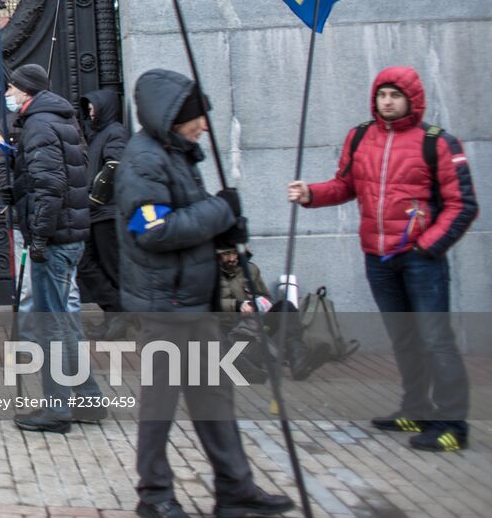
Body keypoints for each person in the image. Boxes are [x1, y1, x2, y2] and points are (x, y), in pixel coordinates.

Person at [116, 68, 294, 518]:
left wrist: (226, 229)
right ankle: (153, 495)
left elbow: (190, 220)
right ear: (173, 115)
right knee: (160, 403)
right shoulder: (143, 160)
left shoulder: (180, 154)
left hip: (195, 300)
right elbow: (152, 230)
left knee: (214, 397)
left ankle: (235, 488)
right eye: (197, 117)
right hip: (166, 304)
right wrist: (219, 211)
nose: (205, 126)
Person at [288, 66, 478, 452]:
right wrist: (311, 193)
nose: (387, 102)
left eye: (394, 95)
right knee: (404, 338)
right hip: (378, 259)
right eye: (381, 95)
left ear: (412, 99)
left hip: (420, 260)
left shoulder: (437, 143)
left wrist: (428, 247)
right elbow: (345, 185)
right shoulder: (359, 137)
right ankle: (416, 409)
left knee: (434, 339)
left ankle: (452, 425)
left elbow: (462, 205)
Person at [0, 64, 105, 435]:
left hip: (56, 237)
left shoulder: (40, 125)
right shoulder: (57, 119)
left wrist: (40, 234)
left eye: (11, 88)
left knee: (51, 325)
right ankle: (89, 399)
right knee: (63, 321)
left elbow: (51, 184)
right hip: (69, 233)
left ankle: (57, 408)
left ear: (26, 92)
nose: (8, 94)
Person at [77, 89, 129, 330]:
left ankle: (118, 317)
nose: (90, 113)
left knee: (110, 266)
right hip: (95, 214)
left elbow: (114, 165)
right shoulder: (97, 135)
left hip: (106, 213)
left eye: (93, 108)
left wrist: (95, 199)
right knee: (86, 263)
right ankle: (117, 309)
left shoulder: (115, 131)